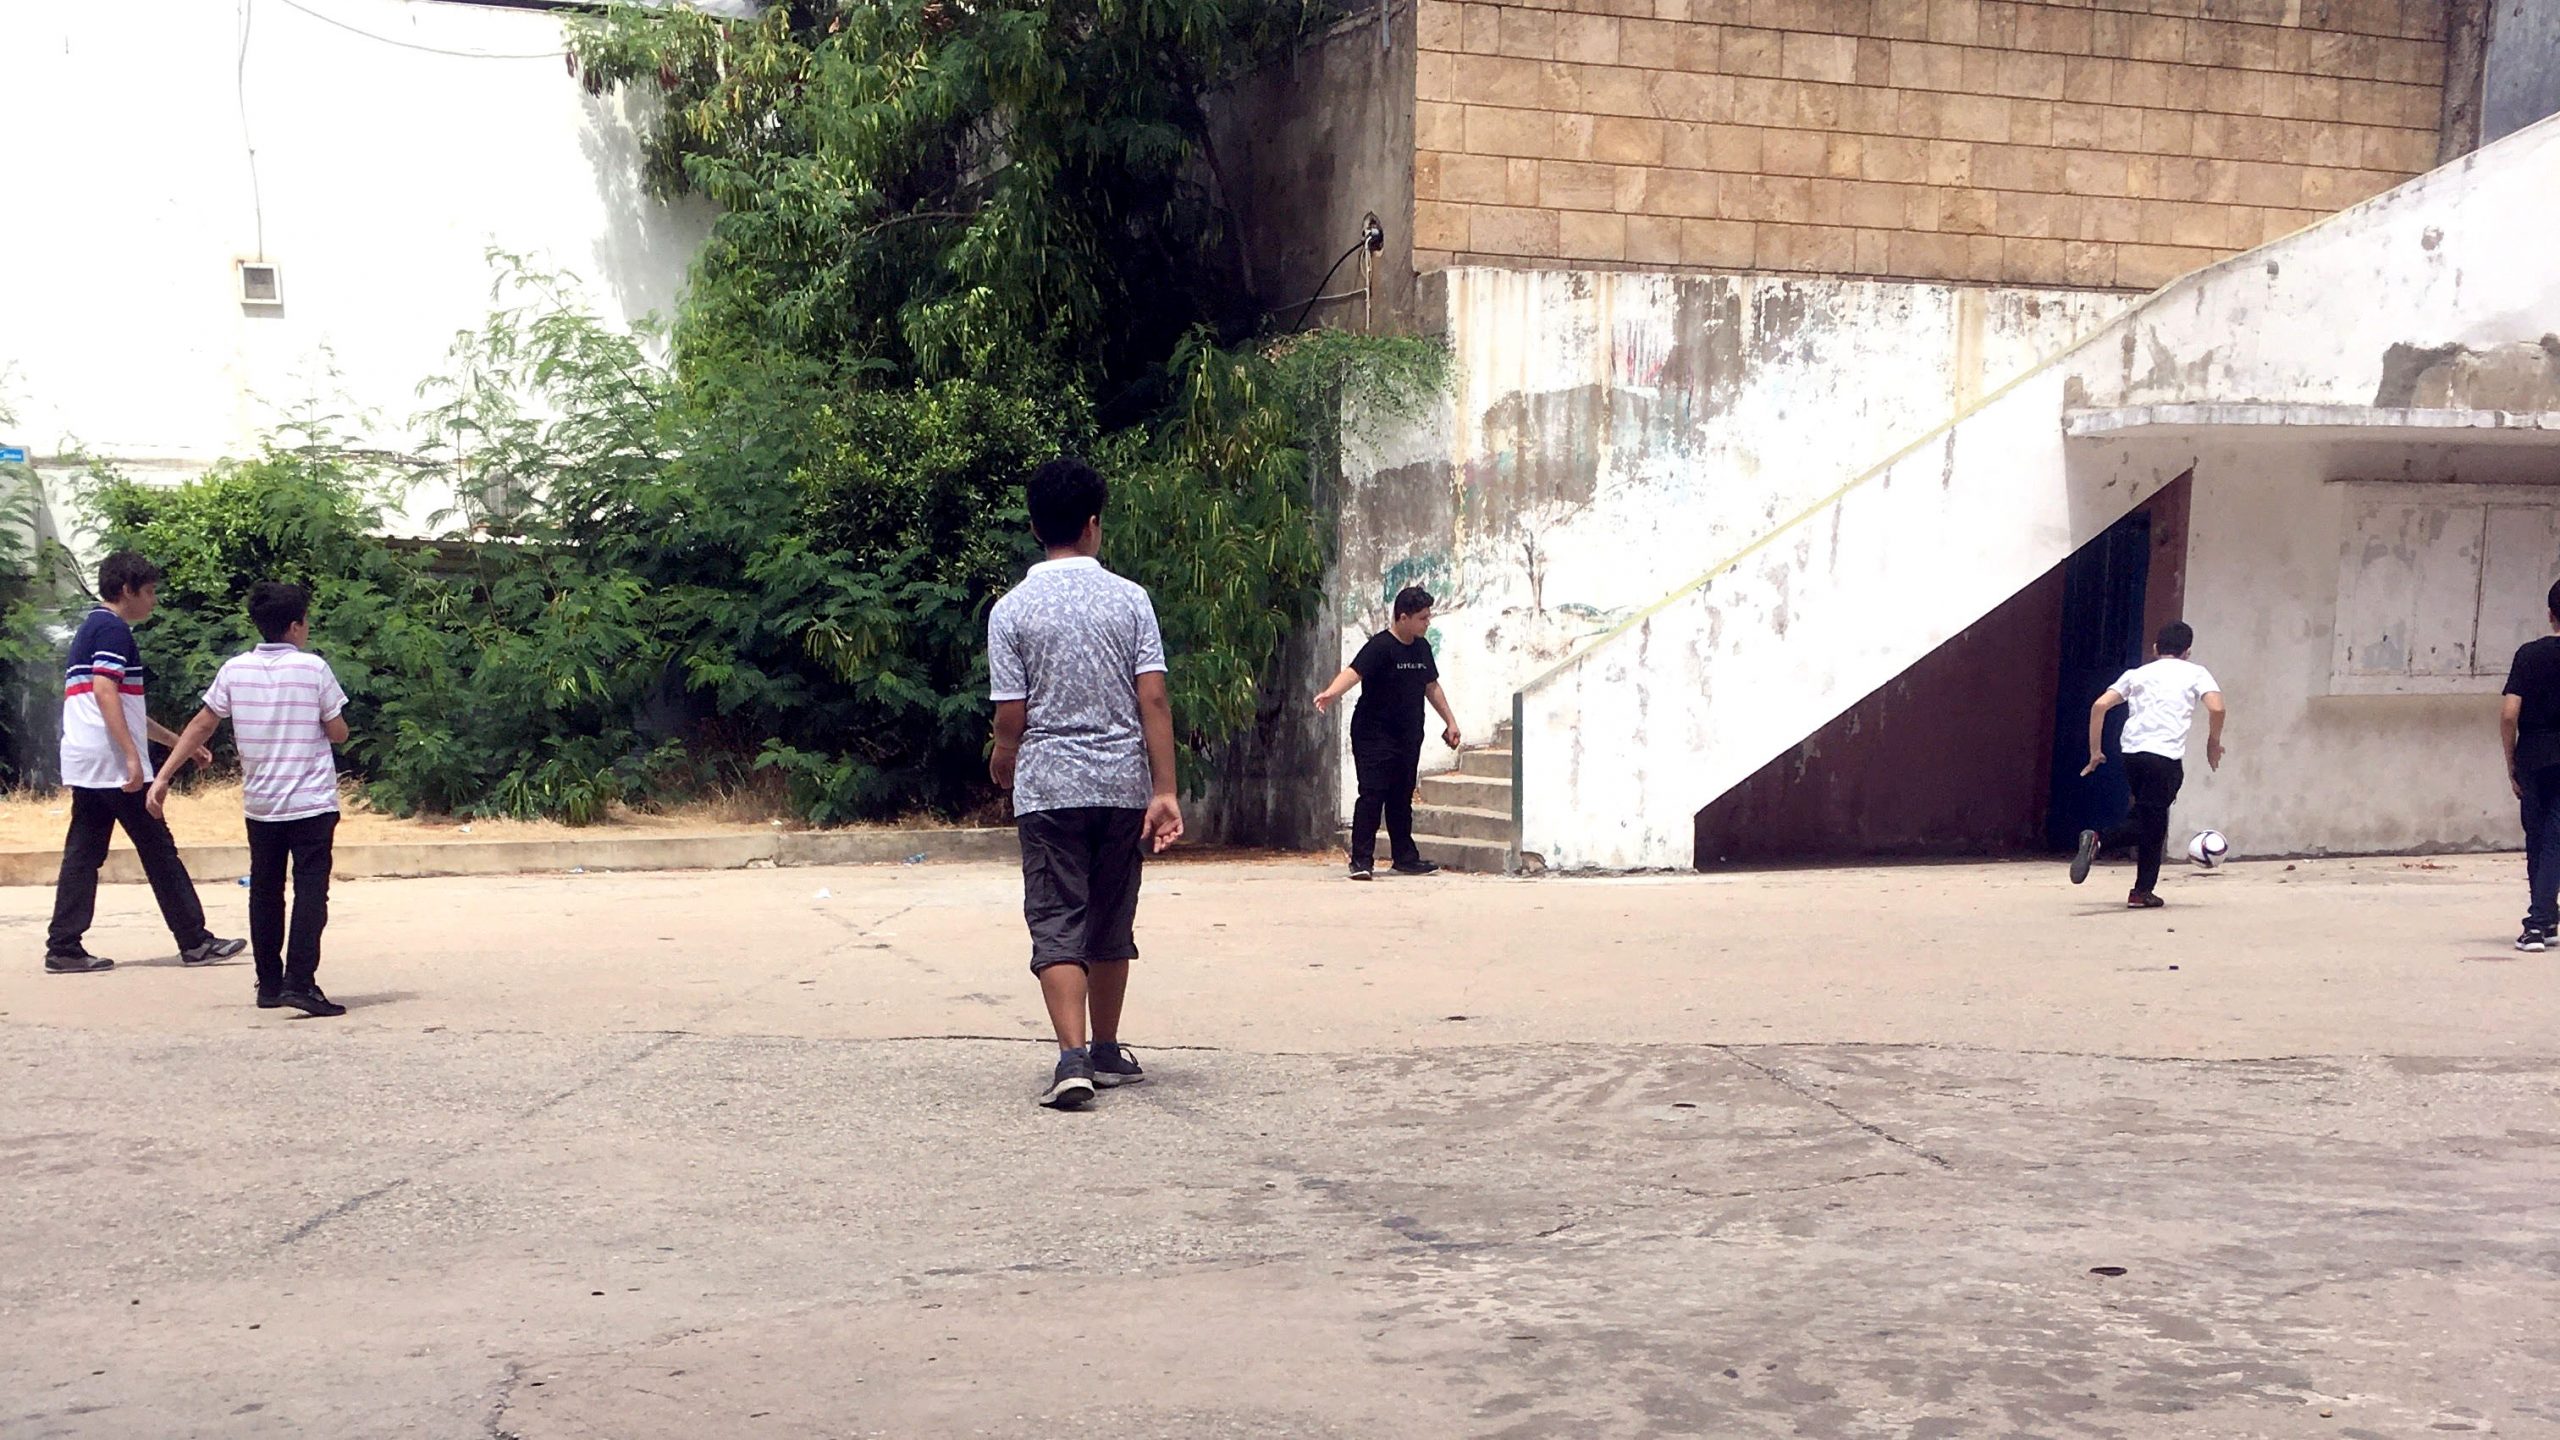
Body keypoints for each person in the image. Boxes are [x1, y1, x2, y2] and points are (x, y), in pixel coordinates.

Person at [987, 457, 1183, 1110]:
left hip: (1049, 791)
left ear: (1035, 526)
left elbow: (1011, 713)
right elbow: (1153, 699)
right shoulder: (1131, 600)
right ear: (1093, 525)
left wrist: (1005, 754)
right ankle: (1105, 1047)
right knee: (1110, 918)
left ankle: (1071, 1059)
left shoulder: (1011, 611)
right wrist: (1164, 790)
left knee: (1056, 919)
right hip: (1122, 787)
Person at [147, 582, 352, 1016]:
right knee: (310, 891)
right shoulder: (313, 669)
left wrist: (164, 776)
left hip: (262, 804)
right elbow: (337, 732)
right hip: (311, 802)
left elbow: (202, 724)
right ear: (295, 626)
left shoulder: (234, 670)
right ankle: (301, 981)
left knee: (265, 891)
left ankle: (269, 982)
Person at [42, 552, 244, 974]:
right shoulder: (113, 629)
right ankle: (195, 941)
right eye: (149, 592)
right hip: (113, 764)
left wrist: (178, 744)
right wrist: (132, 758)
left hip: (87, 760)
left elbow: (125, 708)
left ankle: (63, 946)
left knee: (84, 853)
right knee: (158, 849)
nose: (153, 600)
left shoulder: (92, 627)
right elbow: (105, 691)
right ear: (126, 590)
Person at [2069, 620, 2226, 909]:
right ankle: (2098, 841)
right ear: (2187, 652)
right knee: (2149, 822)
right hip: (2164, 757)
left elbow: (2100, 705)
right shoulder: (2196, 673)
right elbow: (2217, 708)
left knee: (2152, 819)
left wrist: (2095, 751)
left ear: (2155, 648)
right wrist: (2213, 742)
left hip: (2132, 755)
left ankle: (2142, 892)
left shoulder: (2137, 674)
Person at [1314, 585, 1461, 881]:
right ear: (1403, 617)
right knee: (1372, 794)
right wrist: (1331, 693)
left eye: (1428, 616)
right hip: (1373, 734)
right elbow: (1354, 672)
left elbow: (1431, 686)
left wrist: (1450, 721)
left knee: (1401, 797)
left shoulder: (1422, 648)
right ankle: (1361, 860)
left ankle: (1405, 858)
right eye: (1422, 618)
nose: (1427, 622)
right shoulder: (1380, 646)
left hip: (1408, 734)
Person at [2501, 579, 2560, 953]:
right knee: (2555, 838)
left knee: (2537, 837)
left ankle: (2540, 922)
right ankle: (2543, 920)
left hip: (2533, 755)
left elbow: (2509, 714)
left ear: (2551, 614)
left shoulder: (2528, 655)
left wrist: (2512, 763)